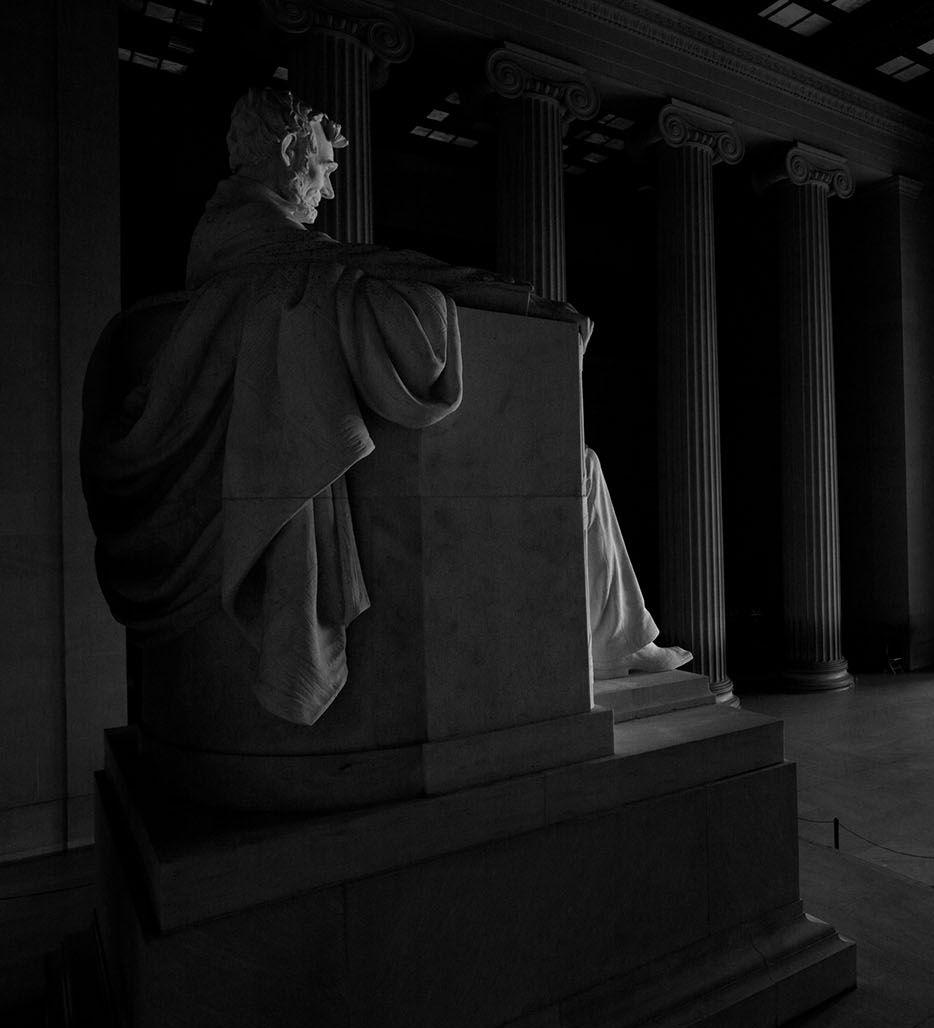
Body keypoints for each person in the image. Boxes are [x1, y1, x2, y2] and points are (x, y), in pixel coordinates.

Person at [83, 88, 688, 725]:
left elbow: (355, 262)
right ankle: (617, 643)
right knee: (579, 466)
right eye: (321, 167)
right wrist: (525, 308)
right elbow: (367, 268)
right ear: (289, 152)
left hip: (395, 459)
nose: (329, 191)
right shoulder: (260, 246)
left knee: (581, 465)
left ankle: (620, 640)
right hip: (398, 461)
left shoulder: (247, 243)